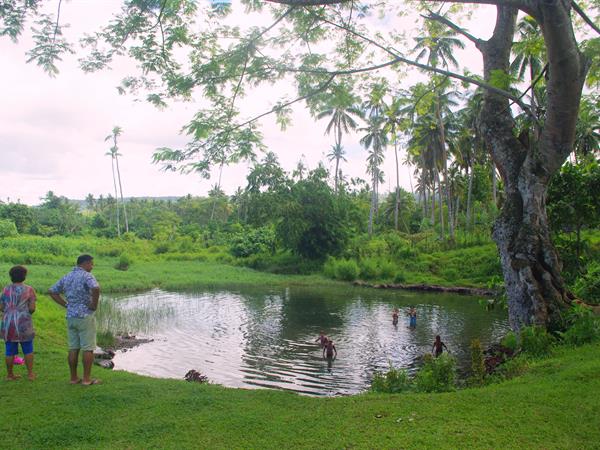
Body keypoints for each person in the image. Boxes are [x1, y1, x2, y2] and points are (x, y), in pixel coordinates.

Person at [48, 254, 101, 386]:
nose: (92, 267)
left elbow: (52, 291)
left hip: (71, 316)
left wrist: (65, 304)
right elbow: (96, 288)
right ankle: (87, 379)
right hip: (84, 316)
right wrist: (94, 305)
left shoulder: (68, 276)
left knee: (73, 348)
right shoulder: (87, 276)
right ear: (86, 263)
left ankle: (73, 378)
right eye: (91, 264)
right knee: (88, 348)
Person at [1, 265, 36, 381]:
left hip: (8, 322)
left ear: (11, 276)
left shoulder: (5, 289)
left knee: (9, 349)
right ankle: (30, 374)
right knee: (28, 348)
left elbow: (1, 307)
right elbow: (32, 308)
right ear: (24, 276)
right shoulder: (29, 289)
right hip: (23, 322)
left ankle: (10, 374)